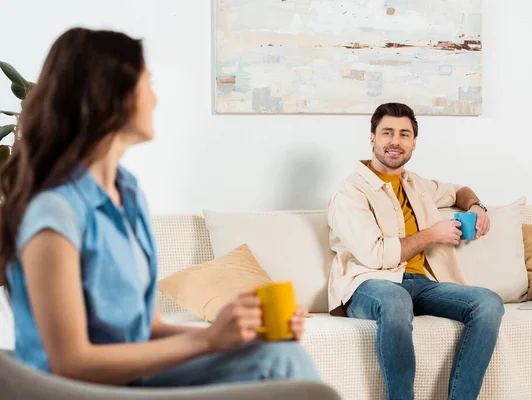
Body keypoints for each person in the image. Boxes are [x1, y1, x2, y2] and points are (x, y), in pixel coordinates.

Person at [0, 27, 318, 387]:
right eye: (147, 83)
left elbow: (147, 331)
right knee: (278, 363)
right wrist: (207, 340)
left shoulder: (128, 194)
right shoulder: (55, 213)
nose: (155, 99)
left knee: (278, 351)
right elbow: (71, 362)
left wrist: (236, 334)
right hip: (74, 390)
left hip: (132, 378)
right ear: (111, 95)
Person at [327, 103, 504, 400]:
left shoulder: (416, 184)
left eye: (404, 134)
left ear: (413, 143)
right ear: (372, 138)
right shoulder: (350, 192)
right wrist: (433, 234)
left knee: (487, 303)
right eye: (387, 132)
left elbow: (459, 190)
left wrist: (476, 205)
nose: (395, 141)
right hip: (368, 285)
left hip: (419, 284)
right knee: (395, 299)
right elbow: (375, 255)